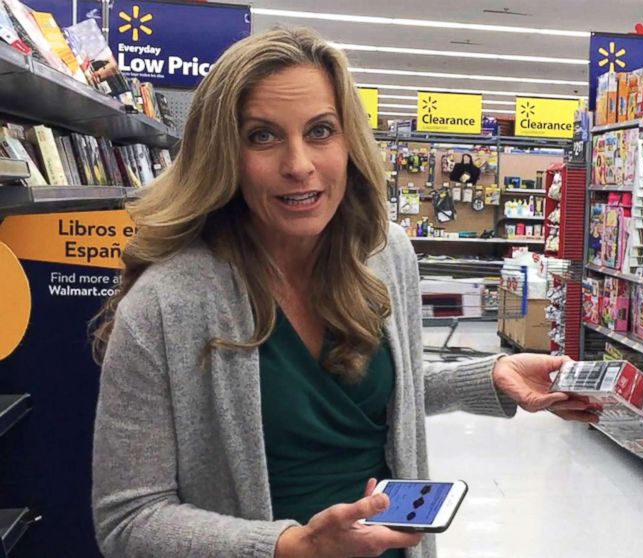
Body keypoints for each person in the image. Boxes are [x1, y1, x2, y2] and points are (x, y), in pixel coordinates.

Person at [90, 26, 597, 558]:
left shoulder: (383, 252)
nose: (299, 165)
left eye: (320, 131)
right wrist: (290, 547)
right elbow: (129, 519)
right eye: (262, 135)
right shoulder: (166, 302)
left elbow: (385, 393)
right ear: (223, 153)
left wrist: (490, 375)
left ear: (349, 138)